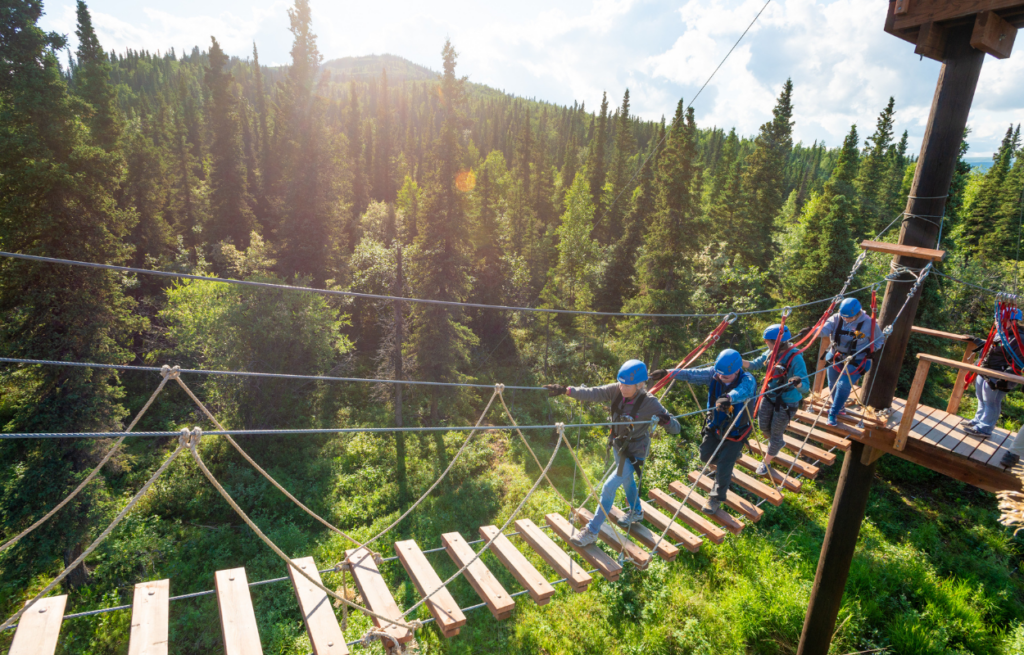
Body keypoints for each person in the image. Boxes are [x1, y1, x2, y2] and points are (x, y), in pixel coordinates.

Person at [544, 359, 680, 548]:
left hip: (635, 452)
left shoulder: (650, 403)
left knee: (608, 488)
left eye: (628, 385)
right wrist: (567, 390)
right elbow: (594, 392)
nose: (623, 387)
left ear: (640, 385)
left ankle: (592, 531)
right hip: (618, 446)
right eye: (621, 382)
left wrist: (667, 421)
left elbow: (676, 428)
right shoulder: (616, 389)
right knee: (627, 481)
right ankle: (636, 511)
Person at [649, 349, 756, 515]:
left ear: (736, 370)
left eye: (725, 376)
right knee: (705, 456)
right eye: (719, 374)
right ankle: (731, 458)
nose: (720, 377)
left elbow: (743, 391)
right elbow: (692, 374)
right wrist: (668, 373)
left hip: (736, 431)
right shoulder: (715, 373)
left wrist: (728, 398)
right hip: (715, 425)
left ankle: (716, 498)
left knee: (724, 466)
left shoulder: (748, 380)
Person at [743, 324, 810, 476]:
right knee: (763, 426)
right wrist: (737, 361)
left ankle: (766, 462)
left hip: (787, 402)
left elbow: (805, 387)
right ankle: (778, 443)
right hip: (769, 395)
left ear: (776, 342)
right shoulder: (770, 353)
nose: (766, 343)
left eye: (767, 341)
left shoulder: (796, 358)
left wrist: (797, 382)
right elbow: (754, 364)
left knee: (775, 433)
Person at [815, 298, 883, 427]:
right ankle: (839, 407)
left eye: (849, 318)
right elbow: (824, 329)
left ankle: (833, 413)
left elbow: (880, 340)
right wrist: (812, 332)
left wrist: (870, 350)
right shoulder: (836, 318)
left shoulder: (869, 323)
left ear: (857, 314)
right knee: (832, 383)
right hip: (836, 356)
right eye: (844, 317)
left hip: (858, 359)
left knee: (843, 385)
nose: (846, 320)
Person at [965, 308, 1023, 439]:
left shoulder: (1019, 339)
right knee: (981, 397)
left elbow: (1019, 361)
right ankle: (978, 421)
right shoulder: (1002, 333)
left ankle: (985, 428)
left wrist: (1006, 377)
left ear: (1013, 321)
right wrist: (980, 342)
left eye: (1001, 320)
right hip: (986, 370)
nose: (997, 322)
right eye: (997, 319)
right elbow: (996, 347)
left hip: (999, 375)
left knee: (992, 402)